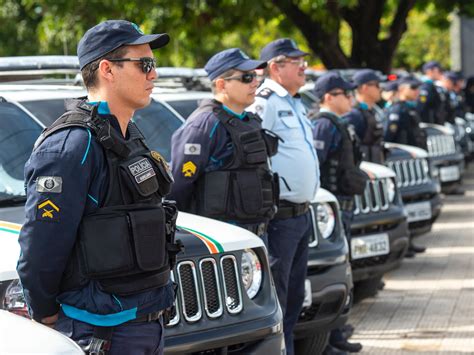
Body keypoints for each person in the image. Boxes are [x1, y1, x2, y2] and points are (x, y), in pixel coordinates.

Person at [17, 20, 180, 355]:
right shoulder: (71, 145)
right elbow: (41, 247)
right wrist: (45, 314)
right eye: (144, 64)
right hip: (100, 332)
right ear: (108, 69)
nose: (154, 74)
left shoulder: (129, 135)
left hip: (146, 323)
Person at [247, 38, 320, 355]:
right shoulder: (265, 101)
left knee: (293, 299)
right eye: (295, 61)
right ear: (275, 66)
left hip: (302, 215)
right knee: (278, 297)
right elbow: (253, 153)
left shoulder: (295, 101)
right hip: (281, 218)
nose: (303, 66)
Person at [169, 48, 278, 239]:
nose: (255, 83)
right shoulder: (204, 125)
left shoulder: (249, 120)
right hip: (222, 240)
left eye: (255, 76)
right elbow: (179, 186)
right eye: (246, 78)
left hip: (257, 236)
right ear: (221, 85)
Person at [311, 72, 367, 354]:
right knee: (337, 272)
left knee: (345, 269)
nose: (351, 99)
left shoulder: (339, 123)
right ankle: (332, 337)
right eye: (346, 94)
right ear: (330, 97)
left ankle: (339, 332)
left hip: (343, 208)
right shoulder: (324, 125)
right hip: (331, 213)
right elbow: (317, 171)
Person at [384, 76, 428, 256]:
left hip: (411, 166)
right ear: (402, 89)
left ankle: (409, 242)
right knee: (403, 205)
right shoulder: (397, 110)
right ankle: (404, 246)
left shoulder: (410, 109)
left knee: (411, 204)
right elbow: (389, 139)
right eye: (413, 88)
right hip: (400, 166)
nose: (417, 91)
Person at [344, 69, 385, 163]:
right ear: (365, 88)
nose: (380, 89)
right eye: (377, 85)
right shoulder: (354, 115)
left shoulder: (370, 112)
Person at [417, 61, 446, 125]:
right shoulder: (425, 86)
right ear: (429, 71)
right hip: (428, 124)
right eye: (439, 71)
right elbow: (422, 107)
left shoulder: (432, 85)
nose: (441, 73)